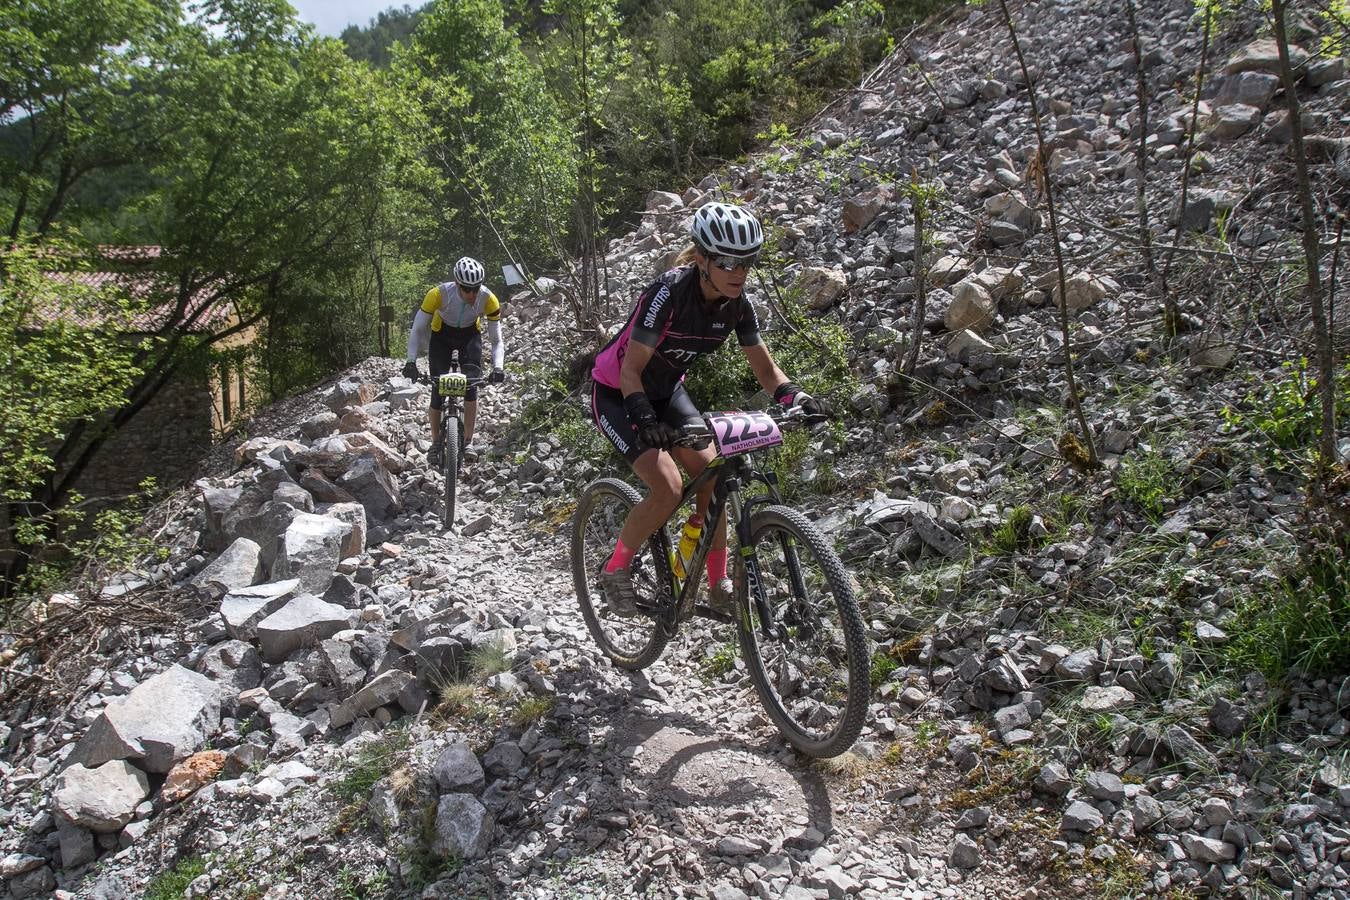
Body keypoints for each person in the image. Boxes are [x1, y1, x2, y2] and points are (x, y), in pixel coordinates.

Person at [588, 202, 830, 616]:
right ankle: (616, 569)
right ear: (701, 258)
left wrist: (796, 398)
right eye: (727, 262)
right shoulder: (668, 293)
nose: (738, 272)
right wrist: (645, 421)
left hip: (667, 393)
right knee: (668, 487)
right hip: (618, 393)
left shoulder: (737, 304)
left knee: (715, 481)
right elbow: (631, 371)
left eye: (747, 262)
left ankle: (716, 584)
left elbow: (766, 369)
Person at [403, 256, 505, 467]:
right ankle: (435, 442)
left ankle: (467, 441)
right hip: (441, 336)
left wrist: (498, 367)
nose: (472, 294)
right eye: (467, 289)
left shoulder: (488, 299)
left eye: (475, 288)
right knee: (437, 389)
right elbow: (418, 329)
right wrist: (411, 362)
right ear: (457, 284)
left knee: (471, 387)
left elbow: (496, 340)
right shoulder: (438, 294)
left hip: (470, 336)